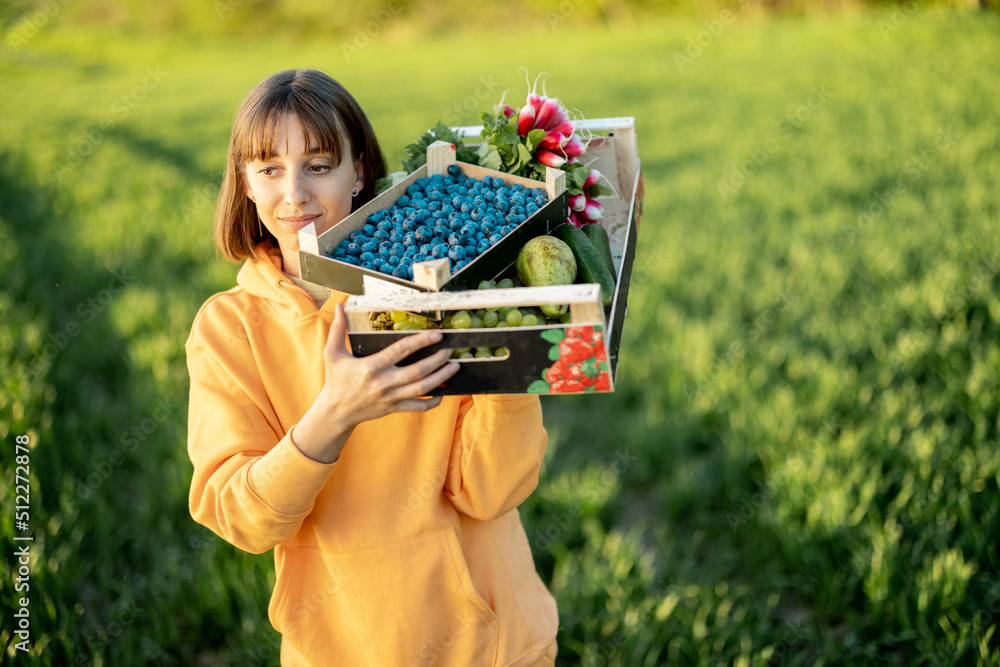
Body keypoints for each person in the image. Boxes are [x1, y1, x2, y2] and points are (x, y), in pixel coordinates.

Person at [185, 68, 559, 666]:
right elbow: (243, 519)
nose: (295, 195)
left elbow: (492, 491)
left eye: (319, 164)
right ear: (245, 184)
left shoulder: (432, 292)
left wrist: (508, 355)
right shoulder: (229, 331)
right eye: (270, 170)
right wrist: (333, 415)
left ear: (358, 171)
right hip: (343, 646)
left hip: (489, 642)